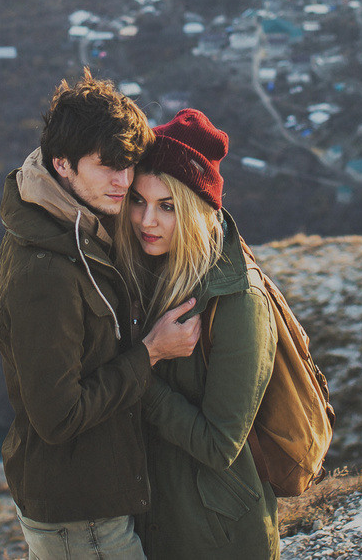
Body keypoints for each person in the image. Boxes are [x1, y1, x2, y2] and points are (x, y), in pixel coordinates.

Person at [0, 72, 203, 560]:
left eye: (128, 166)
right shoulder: (48, 268)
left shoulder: (74, 227)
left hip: (92, 502)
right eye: (108, 167)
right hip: (78, 517)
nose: (123, 183)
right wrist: (150, 352)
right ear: (62, 164)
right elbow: (58, 416)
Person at [114, 108, 279, 560]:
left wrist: (138, 367)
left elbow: (219, 443)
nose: (147, 221)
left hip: (216, 538)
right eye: (139, 201)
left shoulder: (239, 302)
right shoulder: (148, 270)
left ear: (196, 209)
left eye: (167, 206)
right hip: (155, 522)